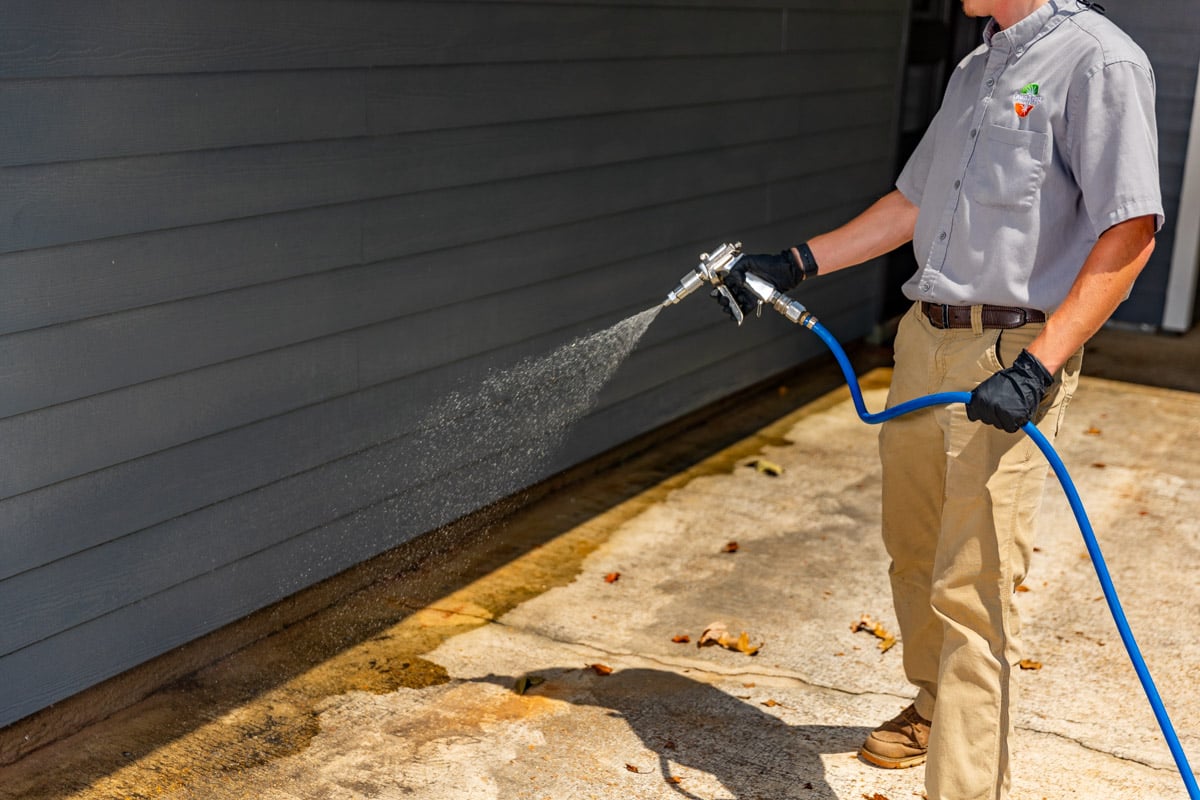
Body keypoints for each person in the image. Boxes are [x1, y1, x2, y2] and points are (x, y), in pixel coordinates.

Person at [717, 1, 1163, 798]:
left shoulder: (1101, 62)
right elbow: (911, 207)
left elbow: (1130, 232)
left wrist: (1041, 365)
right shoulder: (976, 68)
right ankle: (932, 704)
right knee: (916, 553)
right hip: (926, 340)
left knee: (975, 587)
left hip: (1014, 352)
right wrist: (793, 262)